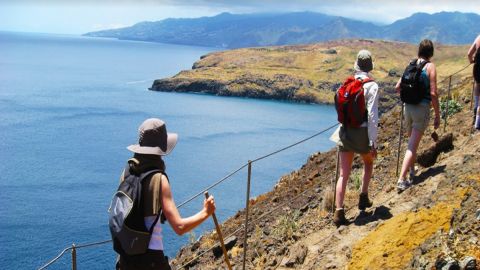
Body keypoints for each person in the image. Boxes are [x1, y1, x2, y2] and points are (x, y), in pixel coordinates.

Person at [117, 118, 216, 270]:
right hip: (151, 261)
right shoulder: (159, 179)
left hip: (125, 258)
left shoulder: (126, 172)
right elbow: (179, 227)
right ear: (162, 149)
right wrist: (206, 212)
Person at [331, 49, 379, 226]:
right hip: (362, 133)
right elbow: (373, 116)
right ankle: (363, 198)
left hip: (346, 131)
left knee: (344, 174)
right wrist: (373, 141)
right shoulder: (372, 86)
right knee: (368, 162)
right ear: (370, 66)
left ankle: (338, 211)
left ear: (356, 66)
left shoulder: (348, 83)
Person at [396, 39, 440, 192]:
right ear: (431, 53)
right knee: (412, 146)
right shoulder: (430, 67)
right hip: (421, 109)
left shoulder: (412, 64)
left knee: (411, 144)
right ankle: (402, 179)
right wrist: (437, 115)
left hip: (407, 108)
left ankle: (412, 171)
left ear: (419, 51)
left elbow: (397, 87)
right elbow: (433, 93)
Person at [467, 34, 480, 130]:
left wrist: (472, 61)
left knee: (477, 84)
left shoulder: (478, 37)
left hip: (477, 67)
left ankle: (475, 107)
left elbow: (469, 54)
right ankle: (477, 124)